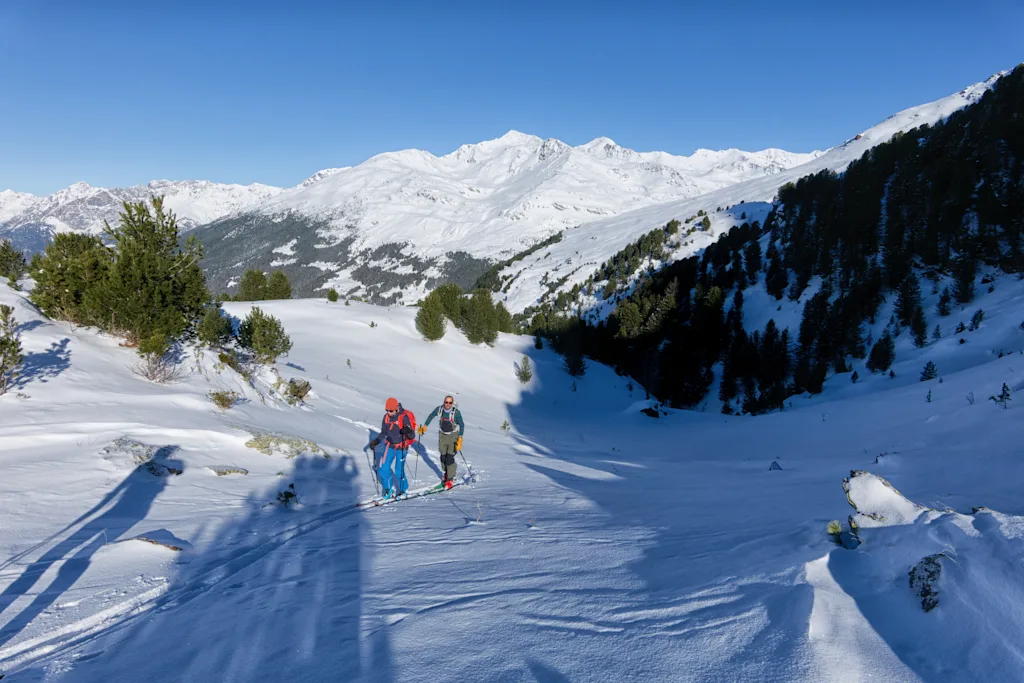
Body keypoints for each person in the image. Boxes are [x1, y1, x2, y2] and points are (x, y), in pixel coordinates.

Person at [369, 397, 417, 499]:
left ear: (396, 409)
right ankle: (388, 488)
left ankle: (403, 489)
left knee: (399, 470)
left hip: (402, 446)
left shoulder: (403, 417)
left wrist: (407, 431)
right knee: (383, 468)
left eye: (390, 411)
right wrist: (376, 441)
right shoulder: (386, 418)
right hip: (390, 445)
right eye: (387, 410)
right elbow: (383, 432)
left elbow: (412, 436)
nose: (388, 413)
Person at [418, 395, 464, 489]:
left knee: (450, 457)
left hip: (453, 436)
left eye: (450, 403)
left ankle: (450, 479)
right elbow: (431, 416)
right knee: (443, 456)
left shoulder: (456, 413)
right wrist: (425, 426)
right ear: (444, 402)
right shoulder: (439, 409)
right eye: (446, 402)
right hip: (442, 436)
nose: (448, 404)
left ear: (452, 403)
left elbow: (462, 425)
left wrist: (460, 439)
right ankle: (447, 473)